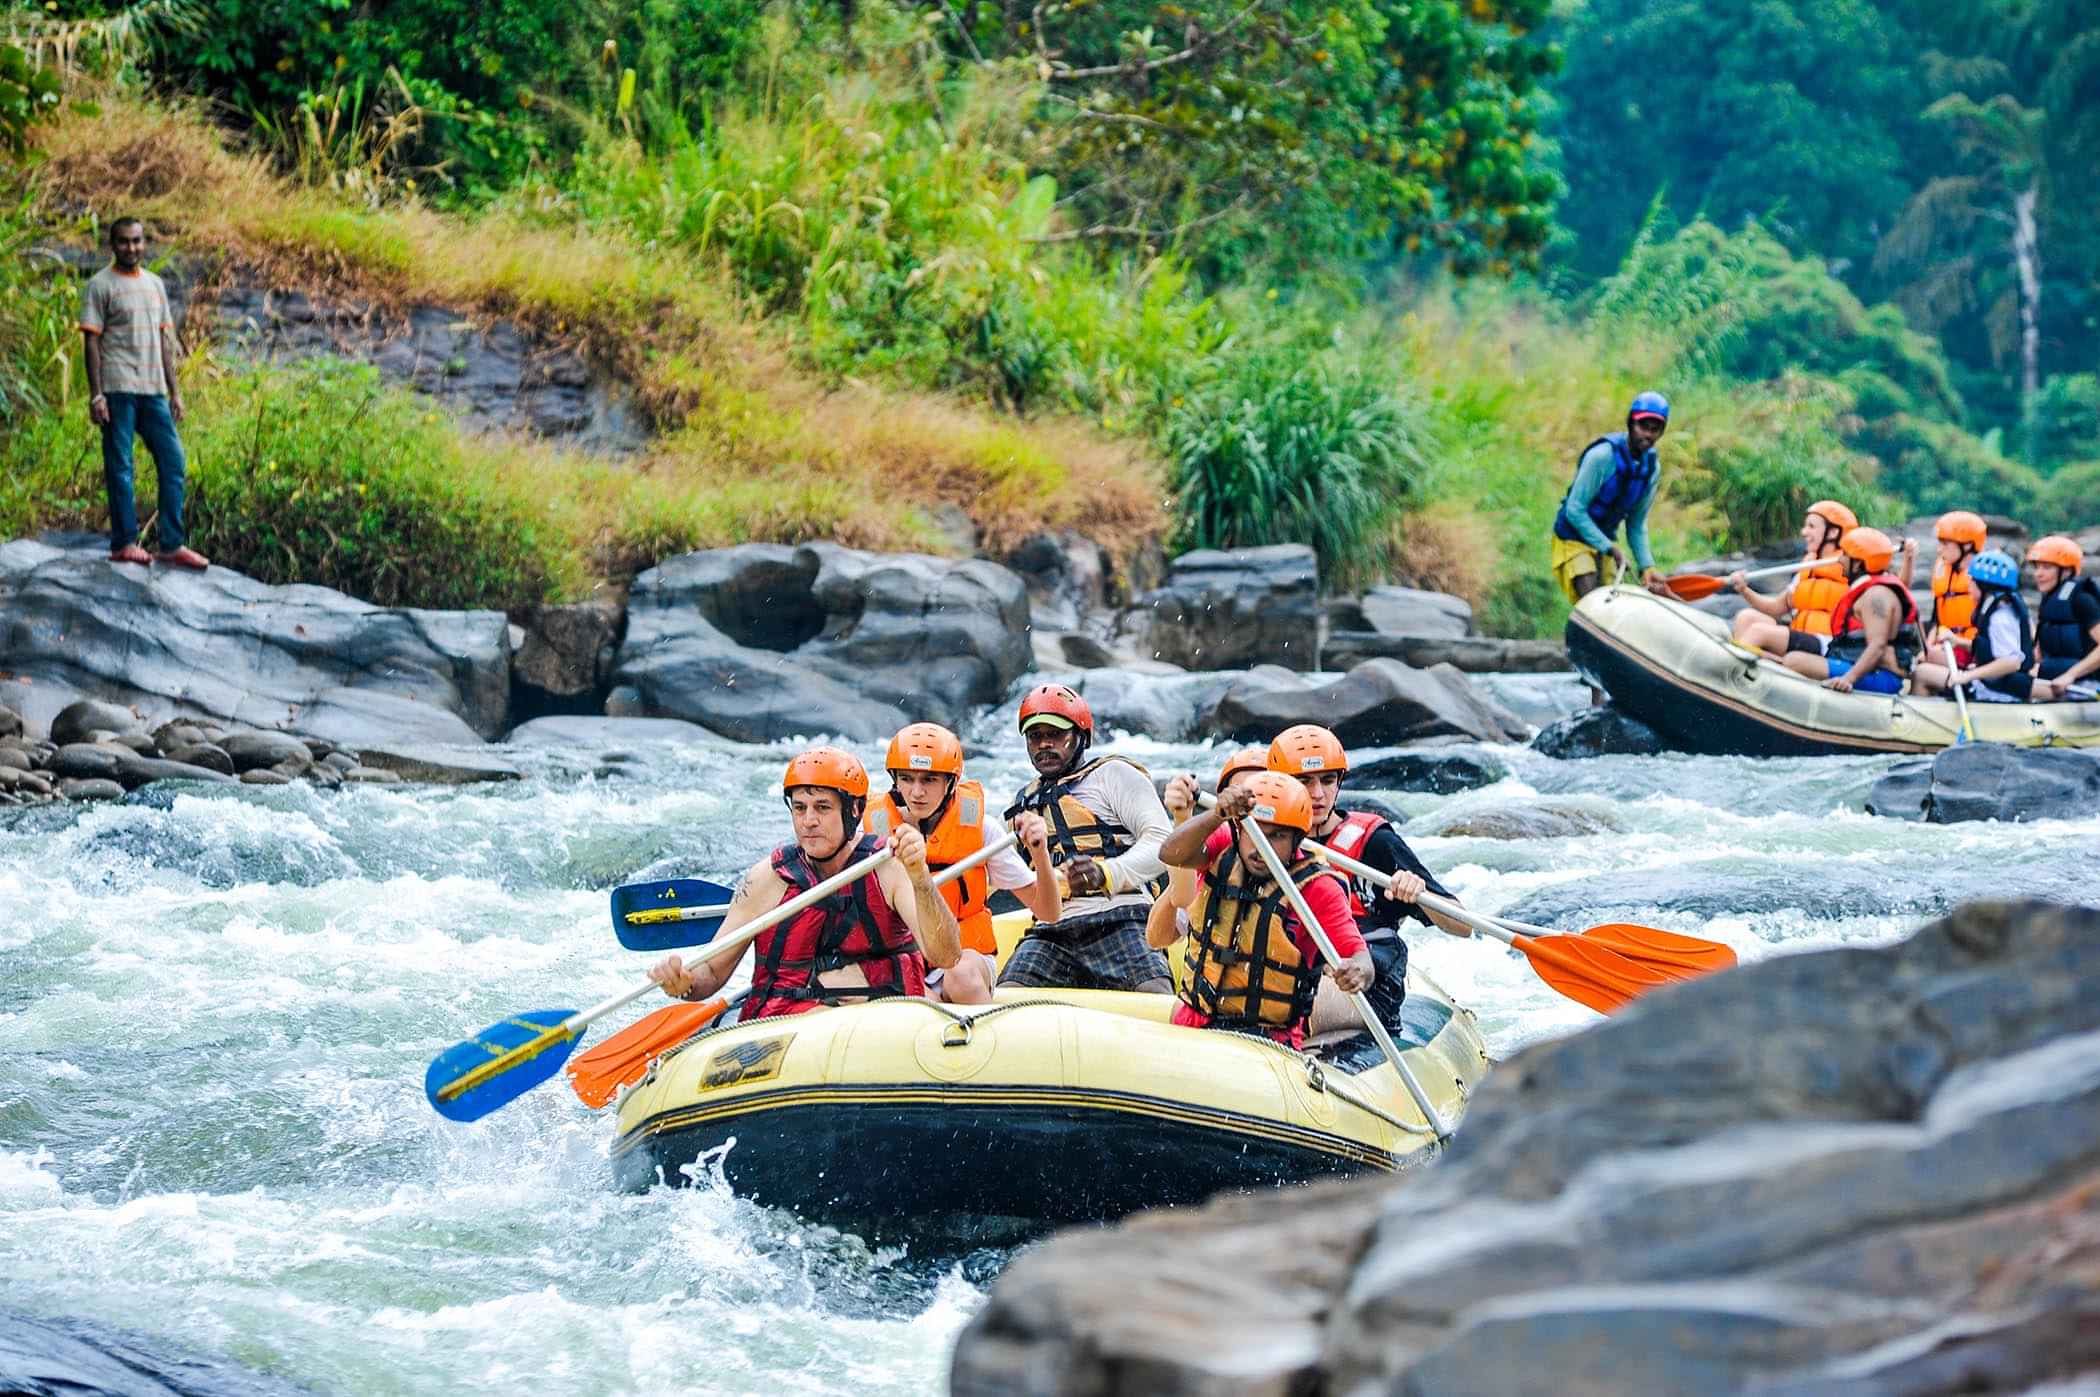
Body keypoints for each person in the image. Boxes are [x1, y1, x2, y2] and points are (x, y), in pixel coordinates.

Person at [647, 747, 960, 1022]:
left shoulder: (889, 867)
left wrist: (921, 880)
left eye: (822, 808)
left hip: (881, 1024)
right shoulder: (766, 879)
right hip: (788, 1030)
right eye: (800, 808)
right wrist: (683, 982)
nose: (809, 820)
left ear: (853, 811)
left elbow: (946, 956)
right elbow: (712, 974)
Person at [1263, 724, 1476, 1037]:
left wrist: (1414, 892)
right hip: (1297, 964)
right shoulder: (1262, 841)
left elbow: (1463, 925)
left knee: (1287, 1009)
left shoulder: (1376, 841)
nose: (1318, 794)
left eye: (1327, 780)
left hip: (1369, 977)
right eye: (1304, 782)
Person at [1157, 772, 1373, 1048]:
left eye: (1277, 836)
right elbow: (1170, 854)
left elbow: (1360, 957)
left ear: (1297, 838)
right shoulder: (1224, 846)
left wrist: (1357, 972)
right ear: (1240, 829)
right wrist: (1216, 815)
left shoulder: (1318, 888)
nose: (1261, 847)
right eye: (1254, 832)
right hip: (1194, 1021)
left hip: (1267, 1040)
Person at [862, 721, 1061, 1004]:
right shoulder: (871, 830)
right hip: (907, 960)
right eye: (907, 778)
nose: (917, 792)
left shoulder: (981, 829)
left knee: (960, 973)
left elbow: (1049, 912)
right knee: (916, 995)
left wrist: (1040, 853)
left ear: (951, 781)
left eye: (929, 780)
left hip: (969, 957)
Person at [998, 684, 1174, 993]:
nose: (1044, 745)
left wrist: (1106, 873)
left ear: (1082, 737)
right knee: (1008, 994)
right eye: (1035, 736)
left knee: (1154, 992)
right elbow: (1001, 873)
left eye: (1055, 735)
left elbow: (1162, 842)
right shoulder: (1022, 804)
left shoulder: (1114, 775)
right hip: (1053, 930)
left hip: (1122, 916)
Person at [80, 217, 208, 570]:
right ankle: (124, 542)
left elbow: (164, 342)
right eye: (124, 242)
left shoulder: (155, 285)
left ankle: (171, 543)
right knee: (121, 466)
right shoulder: (100, 285)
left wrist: (175, 392)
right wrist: (97, 395)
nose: (131, 248)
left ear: (144, 243)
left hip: (153, 390)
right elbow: (91, 341)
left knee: (173, 461)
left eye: (136, 241)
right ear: (113, 245)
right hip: (118, 387)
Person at [1551, 391, 1676, 605]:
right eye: (1642, 426)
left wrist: (1647, 565)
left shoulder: (1651, 470)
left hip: (1605, 542)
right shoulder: (1601, 457)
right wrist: (1610, 548)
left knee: (1612, 602)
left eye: (1655, 429)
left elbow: (1635, 525)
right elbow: (1574, 509)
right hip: (1572, 537)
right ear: (1630, 424)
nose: (1648, 434)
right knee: (1591, 597)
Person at [1149, 748, 1270, 954]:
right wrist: (1182, 818)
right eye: (1237, 795)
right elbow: (1157, 937)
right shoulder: (1221, 840)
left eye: (1260, 795)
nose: (1245, 804)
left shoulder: (1304, 851)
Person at [1781, 527, 1917, 695]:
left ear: (1858, 563)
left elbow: (1878, 645)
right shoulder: (1871, 589)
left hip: (1882, 677)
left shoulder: (1875, 596)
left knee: (1794, 661)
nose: (1840, 560)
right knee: (1789, 658)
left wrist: (1848, 679)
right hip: (1860, 666)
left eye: (1845, 554)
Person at [1727, 500, 1857, 659]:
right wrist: (1744, 590)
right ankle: (1755, 670)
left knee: (1759, 632)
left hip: (1827, 643)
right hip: (1800, 634)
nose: (1804, 532)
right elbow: (1776, 607)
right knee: (1746, 617)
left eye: (1811, 526)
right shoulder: (1809, 567)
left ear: (1833, 533)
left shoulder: (1851, 569)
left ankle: (1734, 667)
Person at [1907, 512, 1990, 696]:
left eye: (1945, 544)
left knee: (1920, 664)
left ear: (1967, 545)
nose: (1939, 550)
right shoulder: (1943, 571)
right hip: (1946, 647)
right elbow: (1937, 621)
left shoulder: (1984, 580)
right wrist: (1929, 646)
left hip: (1971, 651)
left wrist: (1933, 652)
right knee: (1919, 658)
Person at [1936, 549, 2033, 704]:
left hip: (1999, 692)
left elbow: (2012, 662)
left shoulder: (2000, 617)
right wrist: (1957, 641)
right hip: (1990, 684)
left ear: (1984, 586)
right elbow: (1991, 648)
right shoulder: (1994, 610)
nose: (1968, 586)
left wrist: (1968, 676)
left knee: (1922, 674)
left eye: (1972, 581)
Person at [2028, 536, 2100, 701]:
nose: (2038, 574)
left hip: (2085, 684)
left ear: (2066, 571)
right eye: (2037, 567)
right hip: (2053, 680)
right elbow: (2038, 654)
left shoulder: (2082, 600)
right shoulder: (2049, 602)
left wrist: (2070, 675)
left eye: (2046, 567)